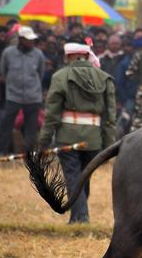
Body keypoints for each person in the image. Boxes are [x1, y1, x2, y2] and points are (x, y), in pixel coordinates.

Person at [37, 42, 117, 224]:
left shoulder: (60, 77)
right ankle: (77, 216)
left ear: (70, 56)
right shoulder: (105, 78)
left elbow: (51, 114)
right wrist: (108, 145)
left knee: (73, 178)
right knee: (84, 177)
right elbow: (110, 117)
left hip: (68, 136)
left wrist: (44, 141)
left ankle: (81, 218)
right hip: (94, 139)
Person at [0, 26, 45, 155]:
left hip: (33, 96)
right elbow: (3, 72)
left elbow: (40, 74)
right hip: (13, 95)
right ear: (21, 39)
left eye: (32, 40)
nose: (31, 42)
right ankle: (2, 151)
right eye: (28, 40)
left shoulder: (38, 54)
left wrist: (34, 88)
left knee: (31, 127)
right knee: (6, 124)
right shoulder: (8, 53)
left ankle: (27, 154)